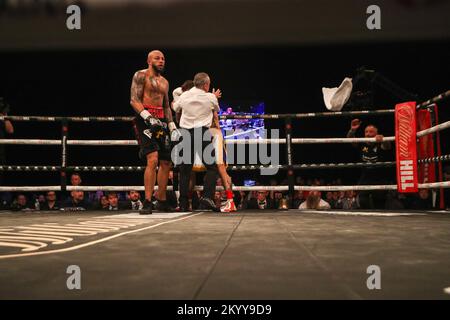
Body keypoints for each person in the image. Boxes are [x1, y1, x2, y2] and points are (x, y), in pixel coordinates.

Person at [130, 50, 181, 214]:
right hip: (145, 120)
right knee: (152, 159)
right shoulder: (140, 75)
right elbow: (134, 100)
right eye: (157, 58)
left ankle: (161, 200)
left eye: (163, 59)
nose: (161, 61)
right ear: (149, 60)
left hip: (162, 122)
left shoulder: (165, 82)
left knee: (166, 162)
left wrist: (172, 125)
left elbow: (166, 106)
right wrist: (147, 117)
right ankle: (147, 200)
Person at [172, 72, 219, 212]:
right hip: (202, 133)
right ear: (205, 85)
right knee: (212, 168)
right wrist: (213, 97)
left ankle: (184, 203)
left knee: (185, 170)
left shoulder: (184, 95)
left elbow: (175, 107)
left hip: (186, 133)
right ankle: (207, 197)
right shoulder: (210, 97)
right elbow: (216, 108)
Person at [347, 119, 391, 209]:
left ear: (376, 133)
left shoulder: (380, 143)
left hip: (380, 178)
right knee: (363, 201)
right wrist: (352, 130)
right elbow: (350, 140)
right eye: (366, 132)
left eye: (371, 132)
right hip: (365, 177)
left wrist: (383, 139)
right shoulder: (362, 143)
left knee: (379, 204)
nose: (368, 134)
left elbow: (387, 146)